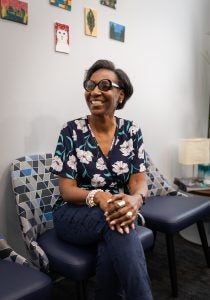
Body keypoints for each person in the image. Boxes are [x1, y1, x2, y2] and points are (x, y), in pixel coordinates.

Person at [50, 59, 153, 300]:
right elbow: (66, 191)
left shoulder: (132, 131)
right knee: (119, 220)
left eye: (105, 85)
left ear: (120, 95)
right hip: (72, 215)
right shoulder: (71, 131)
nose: (94, 91)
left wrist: (136, 199)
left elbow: (139, 179)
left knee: (114, 235)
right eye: (90, 85)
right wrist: (100, 197)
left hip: (116, 213)